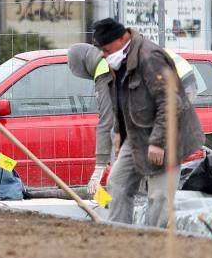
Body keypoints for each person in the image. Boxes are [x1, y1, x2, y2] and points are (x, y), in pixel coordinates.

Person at [93, 17, 204, 228]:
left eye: (106, 50)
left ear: (120, 39)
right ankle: (120, 235)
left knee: (159, 196)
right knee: (118, 183)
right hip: (137, 135)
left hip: (167, 136)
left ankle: (156, 242)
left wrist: (158, 141)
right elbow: (122, 98)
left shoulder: (150, 58)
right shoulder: (119, 60)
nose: (104, 55)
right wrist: (119, 131)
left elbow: (171, 102)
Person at [67, 40, 198, 200]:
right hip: (184, 80)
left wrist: (99, 167)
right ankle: (148, 197)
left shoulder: (103, 67)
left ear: (82, 67)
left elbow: (106, 120)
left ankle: (147, 201)